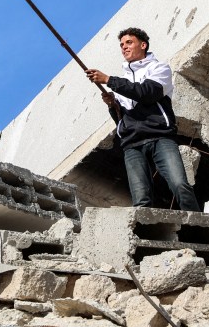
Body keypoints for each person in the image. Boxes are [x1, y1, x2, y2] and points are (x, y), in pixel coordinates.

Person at [85, 27, 200, 211]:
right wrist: (113, 106)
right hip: (132, 145)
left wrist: (109, 80)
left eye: (129, 42)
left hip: (161, 137)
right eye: (121, 45)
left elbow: (148, 93)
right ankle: (147, 235)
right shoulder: (122, 82)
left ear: (143, 45)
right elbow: (122, 120)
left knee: (180, 185)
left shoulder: (159, 68)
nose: (124, 47)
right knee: (141, 201)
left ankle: (200, 230)